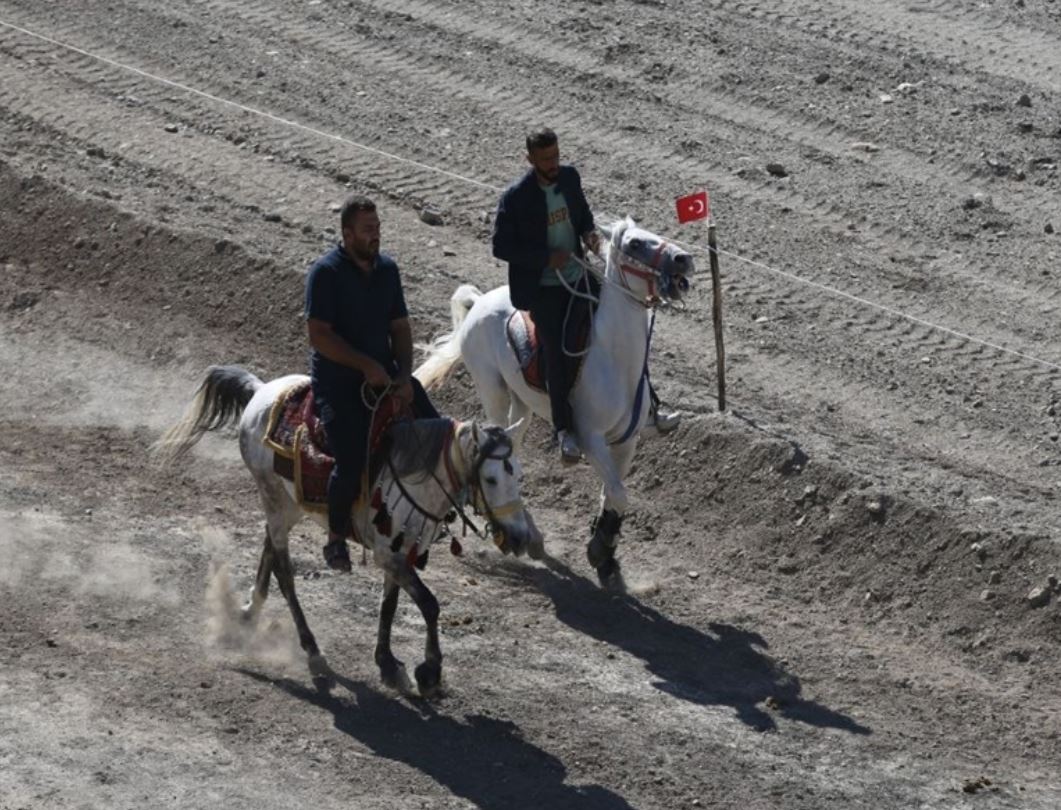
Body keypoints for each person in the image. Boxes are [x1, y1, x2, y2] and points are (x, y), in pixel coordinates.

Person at [491, 128, 679, 463]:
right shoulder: (515, 198)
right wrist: (547, 258)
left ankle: (651, 406)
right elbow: (501, 246)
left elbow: (584, 219)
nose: (553, 164)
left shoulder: (569, 178)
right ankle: (563, 430)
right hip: (544, 289)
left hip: (579, 275)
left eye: (556, 156)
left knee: (629, 330)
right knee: (555, 350)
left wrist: (592, 238)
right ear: (530, 159)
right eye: (545, 159)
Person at [305, 195, 440, 572]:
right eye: (368, 230)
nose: (375, 236)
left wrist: (404, 375)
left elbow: (400, 327)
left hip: (385, 375)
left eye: (378, 229)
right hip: (339, 383)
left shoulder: (388, 271)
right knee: (350, 460)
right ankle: (335, 539)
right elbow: (319, 335)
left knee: (437, 434)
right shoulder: (326, 273)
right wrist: (365, 365)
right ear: (347, 234)